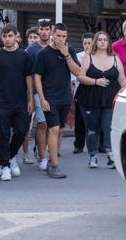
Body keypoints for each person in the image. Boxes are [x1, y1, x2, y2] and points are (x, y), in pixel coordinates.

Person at [0, 24, 34, 181]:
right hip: (1, 101)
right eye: (5, 36)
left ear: (16, 36)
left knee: (22, 130)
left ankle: (12, 155)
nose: (7, 39)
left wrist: (31, 99)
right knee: (3, 134)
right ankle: (5, 166)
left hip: (20, 100)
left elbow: (29, 78)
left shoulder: (24, 56)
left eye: (10, 36)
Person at [33, 23, 80, 179]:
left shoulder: (70, 50)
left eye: (64, 36)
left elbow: (77, 71)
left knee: (59, 131)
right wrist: (41, 98)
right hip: (49, 97)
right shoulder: (43, 53)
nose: (61, 39)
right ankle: (54, 165)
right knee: (53, 129)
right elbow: (37, 76)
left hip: (65, 97)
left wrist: (66, 54)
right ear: (52, 34)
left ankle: (51, 158)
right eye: (58, 35)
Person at [76, 31, 126, 169]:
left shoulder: (115, 58)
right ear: (95, 42)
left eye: (105, 39)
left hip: (110, 98)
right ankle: (93, 155)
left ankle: (111, 156)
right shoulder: (88, 57)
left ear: (108, 42)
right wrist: (95, 81)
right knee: (92, 128)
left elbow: (122, 79)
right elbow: (80, 76)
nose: (102, 42)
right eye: (100, 40)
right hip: (90, 98)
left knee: (108, 126)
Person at [26, 19, 52, 170]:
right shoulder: (31, 50)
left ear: (51, 30)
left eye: (46, 29)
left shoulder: (55, 46)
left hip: (53, 92)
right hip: (37, 92)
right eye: (41, 29)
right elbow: (28, 75)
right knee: (42, 123)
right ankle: (42, 158)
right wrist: (30, 96)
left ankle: (49, 152)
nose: (43, 32)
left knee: (52, 126)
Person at [72, 33, 93, 154]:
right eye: (85, 43)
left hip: (94, 90)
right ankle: (78, 144)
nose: (87, 46)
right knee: (79, 119)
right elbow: (73, 78)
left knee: (95, 119)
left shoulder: (99, 57)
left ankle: (99, 144)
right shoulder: (78, 57)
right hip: (80, 91)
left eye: (89, 43)